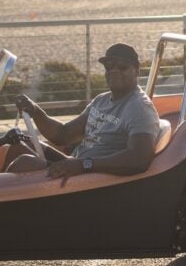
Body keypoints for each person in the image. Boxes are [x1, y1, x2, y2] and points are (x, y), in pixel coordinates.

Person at [9, 42, 160, 181]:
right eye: (109, 66)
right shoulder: (101, 100)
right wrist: (35, 110)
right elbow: (63, 135)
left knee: (25, 162)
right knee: (19, 144)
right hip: (79, 166)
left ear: (137, 71)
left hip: (95, 178)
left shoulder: (139, 108)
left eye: (122, 67)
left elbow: (139, 159)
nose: (114, 71)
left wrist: (85, 165)